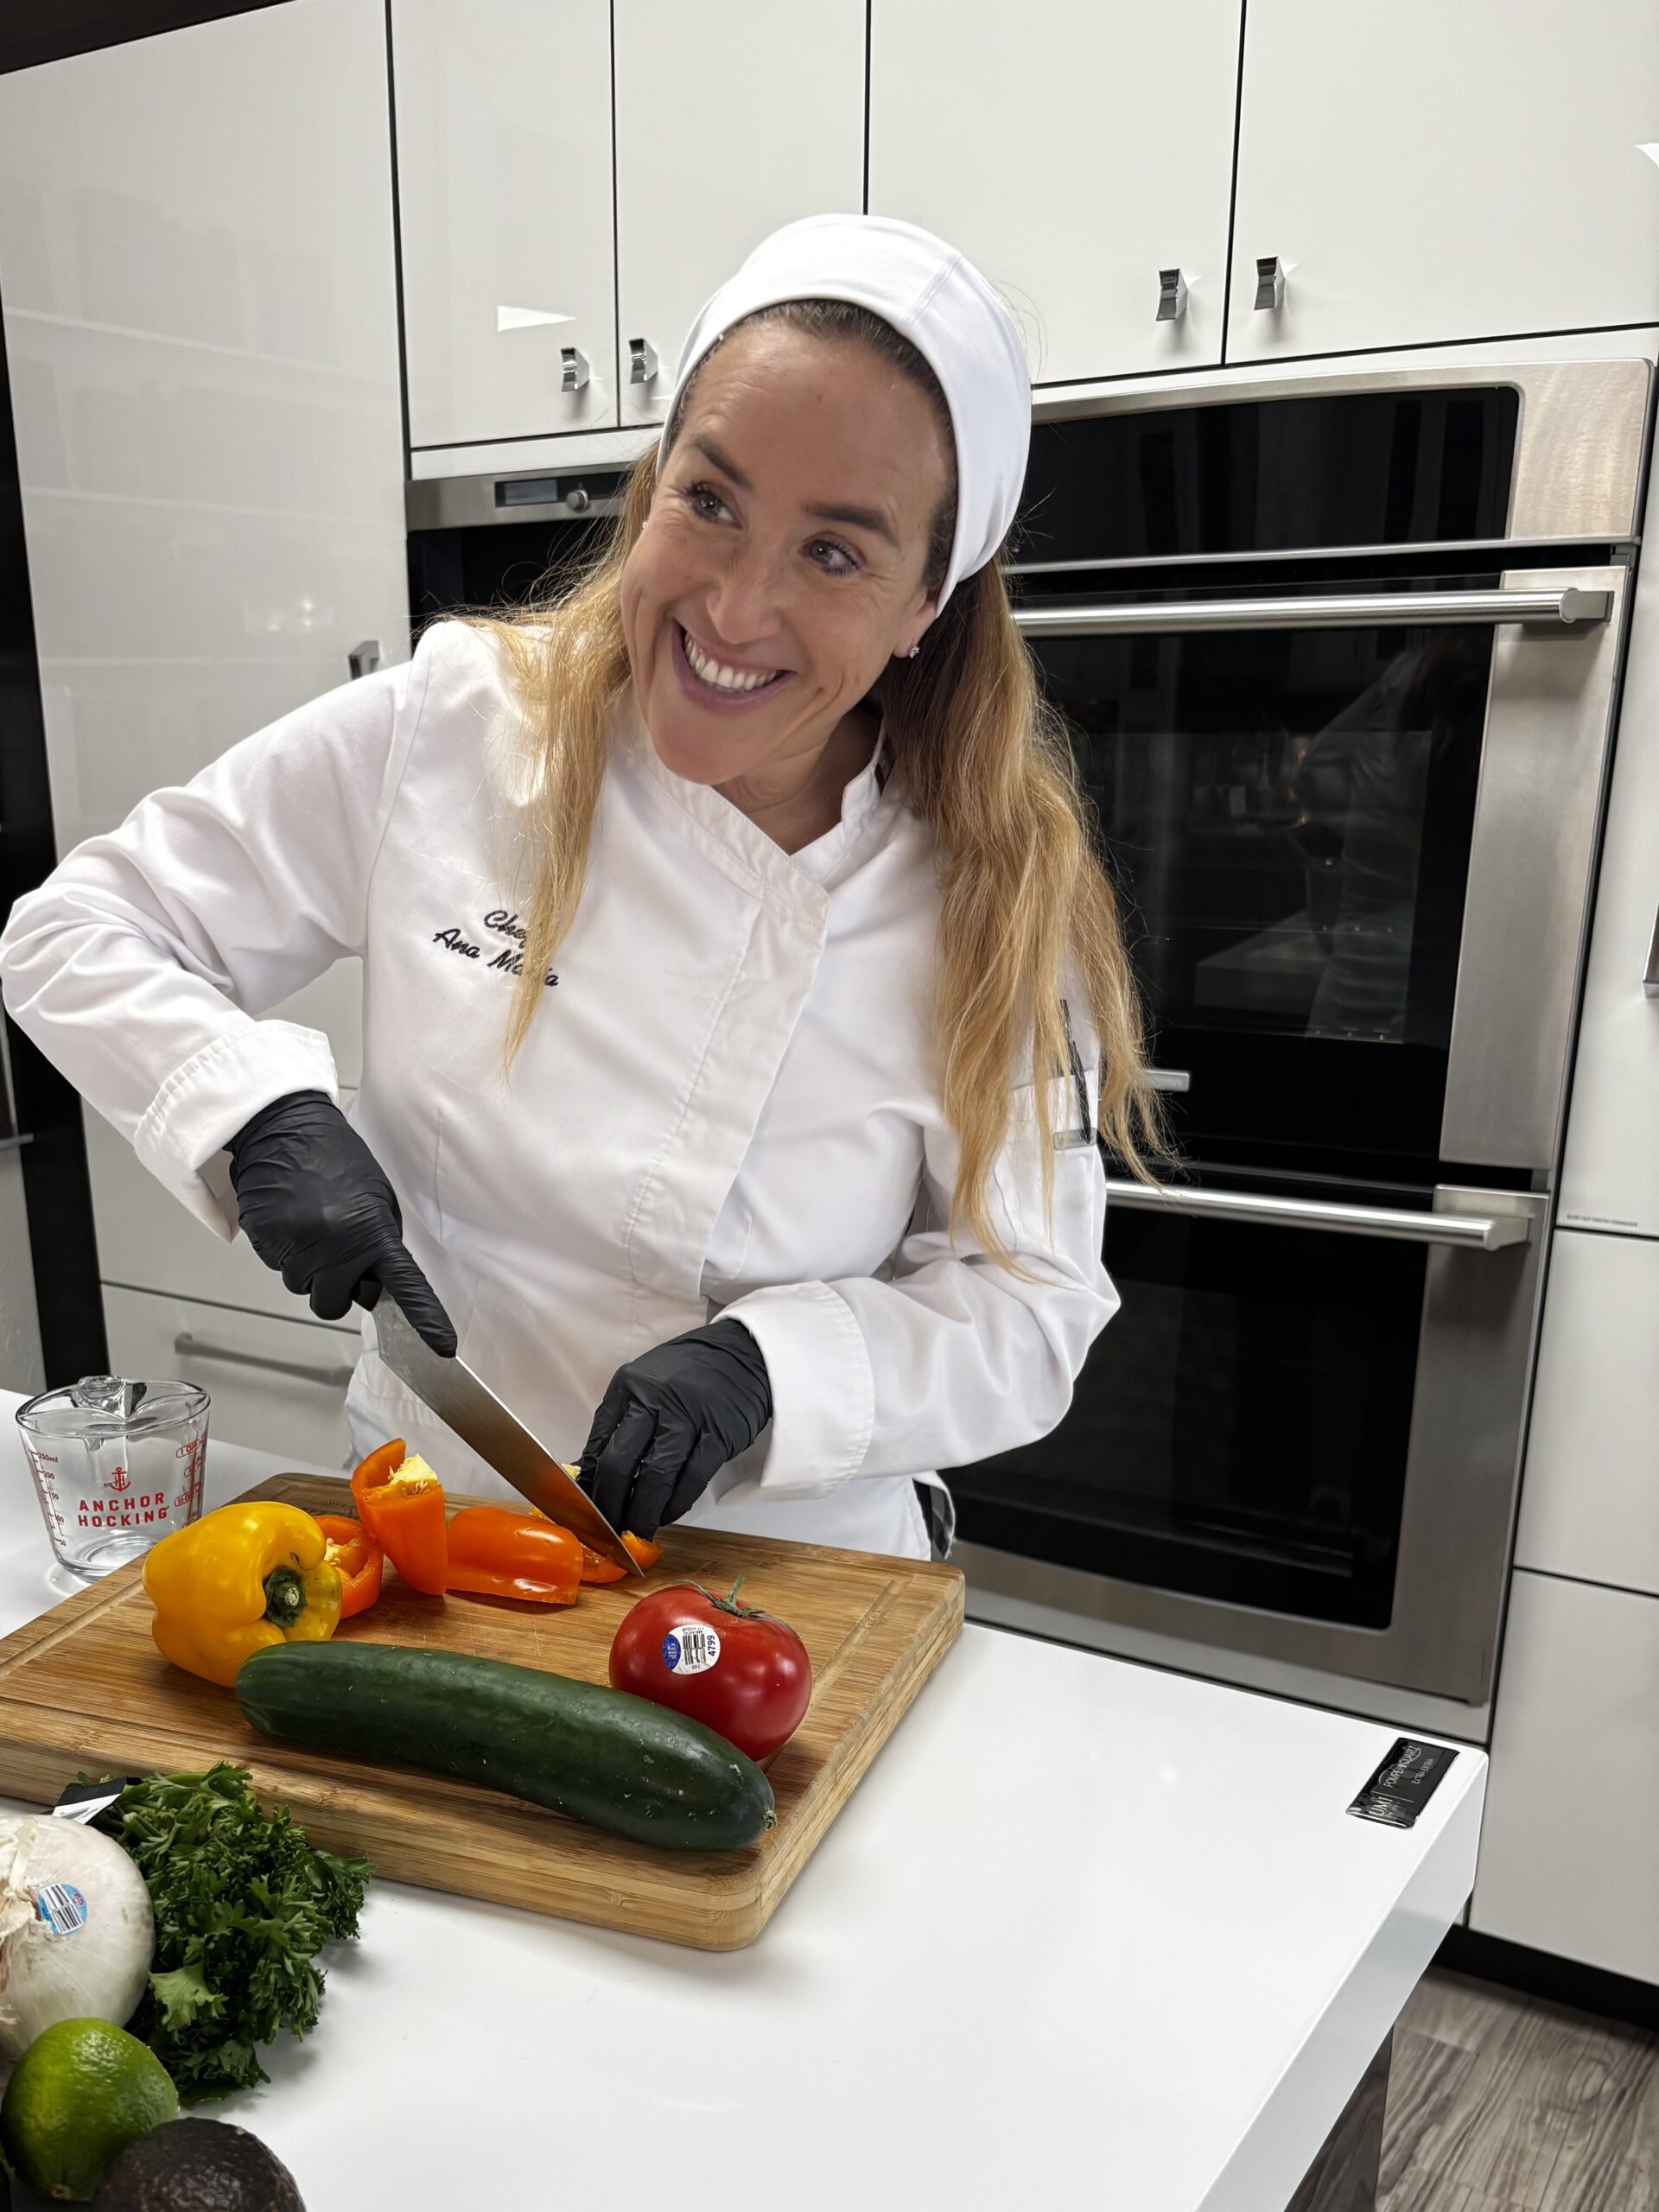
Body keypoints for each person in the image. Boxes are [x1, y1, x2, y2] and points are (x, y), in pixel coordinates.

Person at [0, 214, 1156, 1560]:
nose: (731, 611)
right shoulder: (456, 727)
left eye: (835, 552)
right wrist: (251, 1108)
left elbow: (1033, 1310)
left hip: (788, 1576)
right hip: (427, 1520)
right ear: (650, 483)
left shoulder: (991, 896)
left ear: (927, 606)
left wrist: (777, 1366)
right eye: (709, 501)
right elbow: (77, 927)